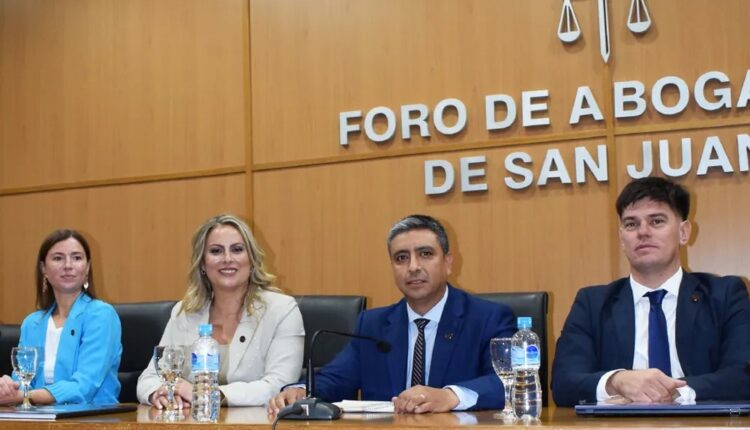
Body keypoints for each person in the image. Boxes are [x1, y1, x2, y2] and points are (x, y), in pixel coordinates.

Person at [268, 214, 515, 414]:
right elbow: (335, 379)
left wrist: (450, 396)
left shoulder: (488, 318)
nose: (413, 267)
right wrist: (301, 390)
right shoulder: (373, 324)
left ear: (448, 262)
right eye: (401, 258)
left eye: (425, 254)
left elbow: (510, 382)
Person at [551, 176, 750, 407]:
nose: (643, 232)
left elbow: (742, 376)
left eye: (656, 221)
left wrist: (673, 392)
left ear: (684, 232)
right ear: (622, 238)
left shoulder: (725, 295)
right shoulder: (592, 303)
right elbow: (564, 383)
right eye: (631, 224)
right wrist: (617, 381)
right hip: (618, 424)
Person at [136, 214, 304, 408]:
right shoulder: (185, 312)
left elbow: (280, 385)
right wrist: (159, 394)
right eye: (216, 251)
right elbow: (149, 378)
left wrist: (210, 394)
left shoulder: (281, 310)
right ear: (202, 263)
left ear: (252, 260)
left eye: (237, 249)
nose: (227, 259)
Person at [0, 229, 122, 405]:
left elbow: (84, 386)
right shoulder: (32, 323)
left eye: (77, 258)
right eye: (58, 258)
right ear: (44, 268)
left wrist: (25, 396)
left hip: (91, 416)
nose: (68, 265)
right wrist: (8, 387)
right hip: (36, 416)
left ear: (87, 267)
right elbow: (21, 381)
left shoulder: (101, 315)